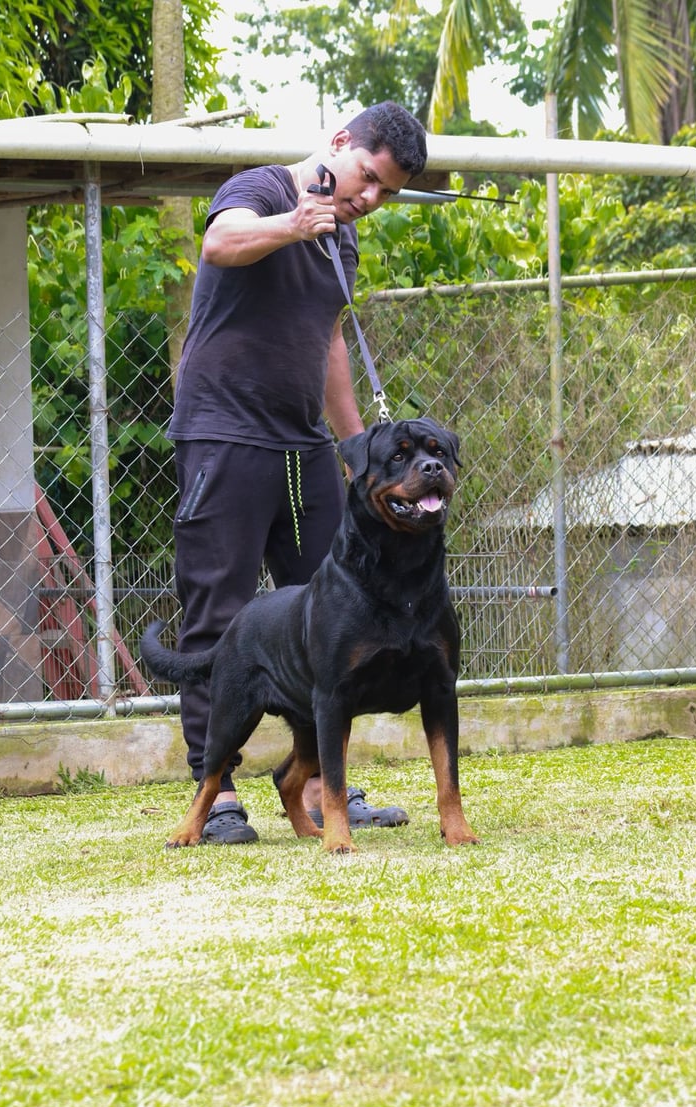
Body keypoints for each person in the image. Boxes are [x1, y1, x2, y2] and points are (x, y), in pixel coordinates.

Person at [168, 101, 428, 843]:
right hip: (223, 432)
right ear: (342, 143)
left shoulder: (340, 240)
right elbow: (219, 243)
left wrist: (359, 456)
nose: (370, 200)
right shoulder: (265, 189)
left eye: (387, 194)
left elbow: (330, 345)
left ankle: (319, 786)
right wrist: (293, 224)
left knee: (335, 610)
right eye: (368, 179)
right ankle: (214, 792)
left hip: (303, 445)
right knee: (217, 612)